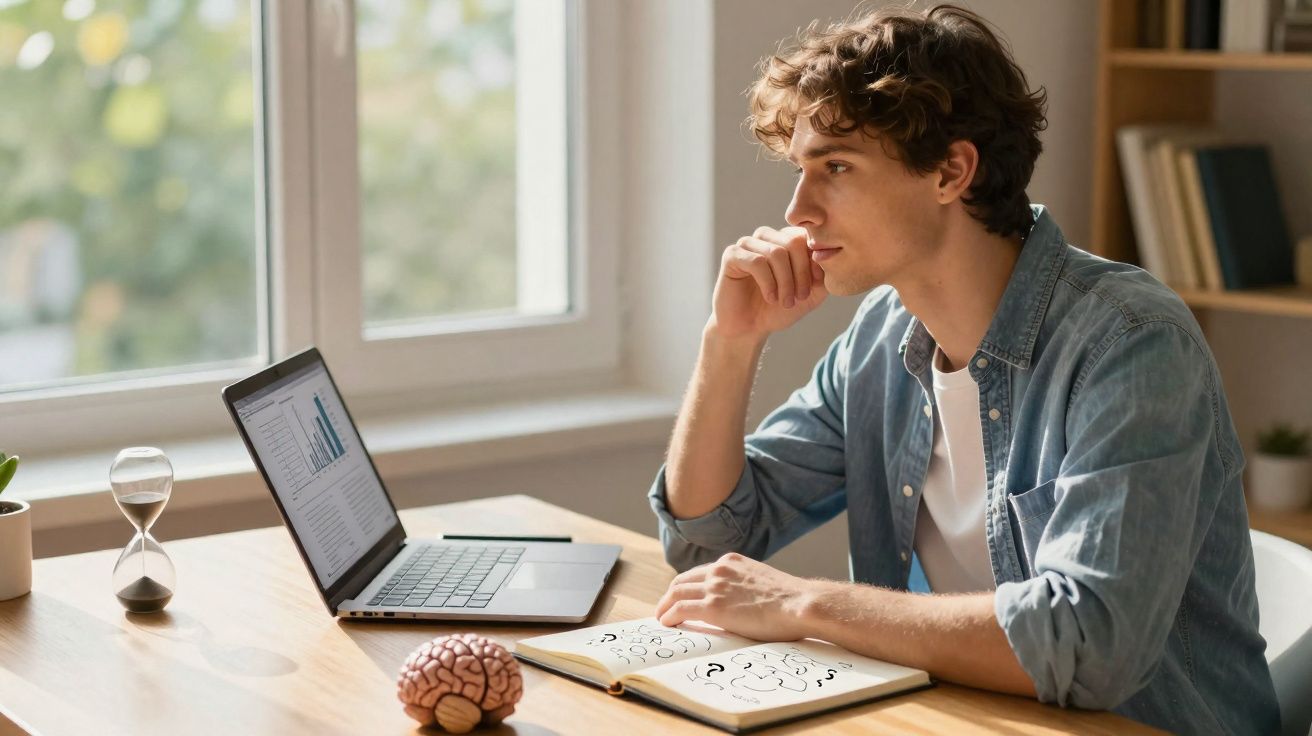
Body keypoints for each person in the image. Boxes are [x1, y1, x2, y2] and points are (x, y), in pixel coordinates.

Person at [646, 5, 1280, 733]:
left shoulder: (1131, 345)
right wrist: (729, 342)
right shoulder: (879, 340)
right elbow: (705, 543)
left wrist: (802, 605)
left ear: (952, 170)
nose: (799, 212)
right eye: (800, 171)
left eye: (837, 167)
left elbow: (1089, 644)